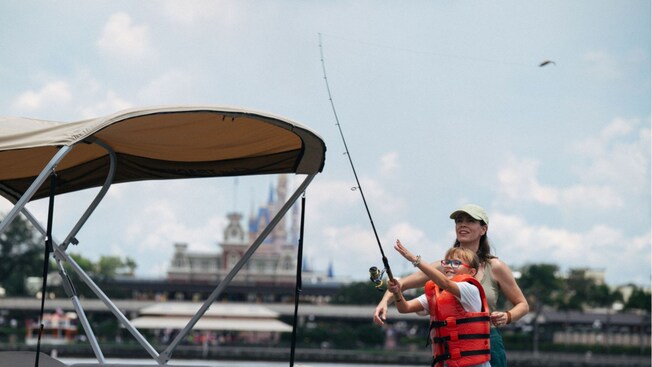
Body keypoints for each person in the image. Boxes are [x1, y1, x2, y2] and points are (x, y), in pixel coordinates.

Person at [374, 204, 528, 367]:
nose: (462, 224)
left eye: (470, 221)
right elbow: (402, 284)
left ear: (483, 229)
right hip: (451, 345)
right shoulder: (444, 267)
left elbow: (523, 305)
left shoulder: (495, 266)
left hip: (487, 342)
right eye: (459, 221)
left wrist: (507, 316)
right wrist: (384, 302)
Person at [389, 243, 491, 367]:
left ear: (471, 271)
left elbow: (445, 283)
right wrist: (397, 292)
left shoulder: (470, 289)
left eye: (456, 263)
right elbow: (404, 308)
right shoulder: (436, 293)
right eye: (447, 262)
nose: (449, 266)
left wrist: (415, 260)